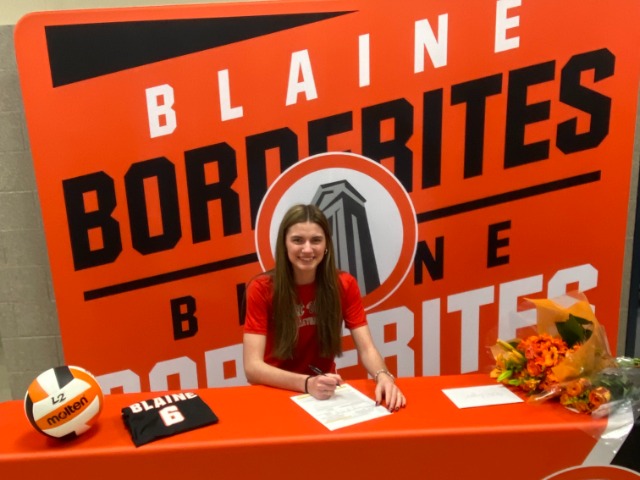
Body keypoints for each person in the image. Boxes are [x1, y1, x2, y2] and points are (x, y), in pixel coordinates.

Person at [243, 204, 406, 412]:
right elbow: (252, 368)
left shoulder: (344, 285)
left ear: (327, 244)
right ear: (284, 244)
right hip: (275, 390)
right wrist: (307, 383)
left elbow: (367, 349)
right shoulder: (261, 288)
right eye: (297, 240)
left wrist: (383, 376)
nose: (307, 249)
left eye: (316, 240)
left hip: (323, 392)